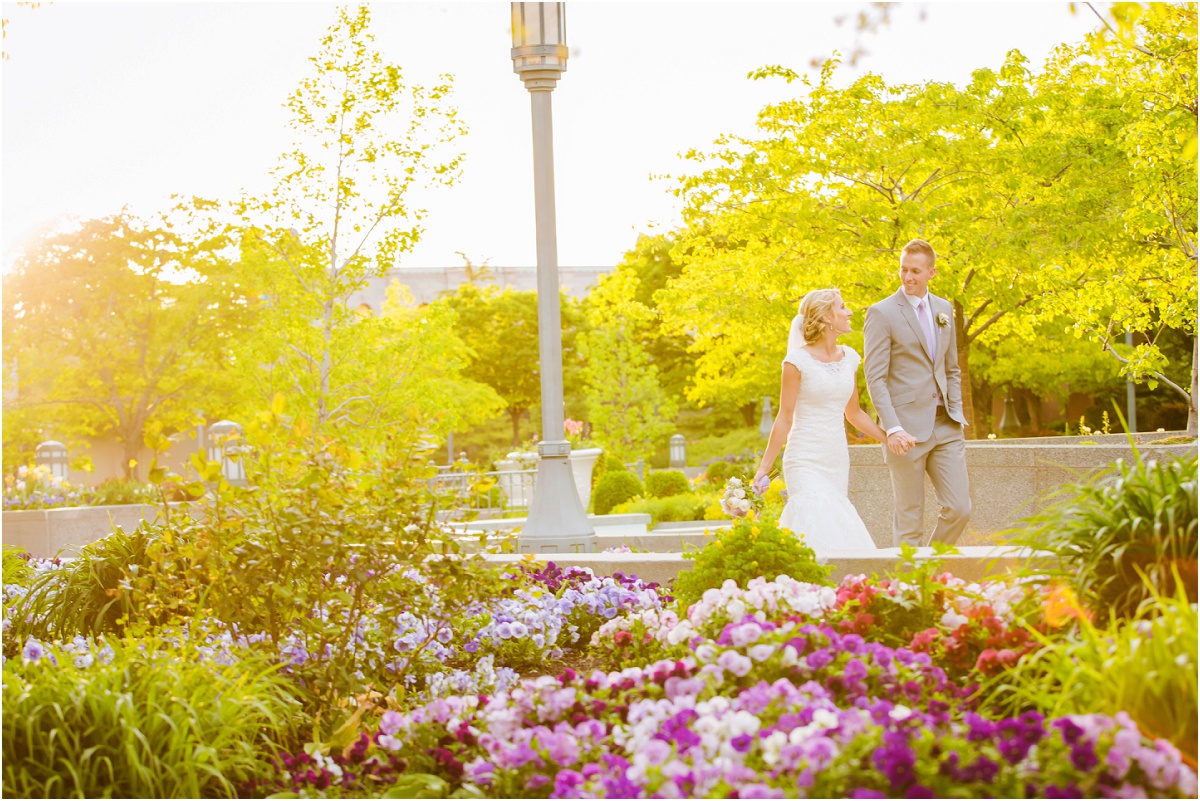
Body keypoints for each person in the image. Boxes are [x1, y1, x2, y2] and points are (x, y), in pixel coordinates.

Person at [751, 288, 888, 552]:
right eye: (842, 307)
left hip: (835, 458)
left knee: (836, 523)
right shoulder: (795, 362)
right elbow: (784, 418)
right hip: (804, 458)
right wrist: (763, 469)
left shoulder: (849, 358)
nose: (849, 313)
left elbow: (854, 412)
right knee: (814, 517)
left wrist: (887, 438)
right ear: (827, 317)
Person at [862, 238, 971, 547]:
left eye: (915, 271)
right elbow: (875, 377)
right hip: (905, 431)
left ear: (931, 272)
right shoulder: (881, 313)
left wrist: (957, 410)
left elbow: (952, 369)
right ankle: (909, 590)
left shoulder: (944, 309)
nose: (908, 277)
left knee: (960, 508)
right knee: (910, 521)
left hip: (946, 425)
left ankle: (930, 570)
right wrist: (892, 427)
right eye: (903, 270)